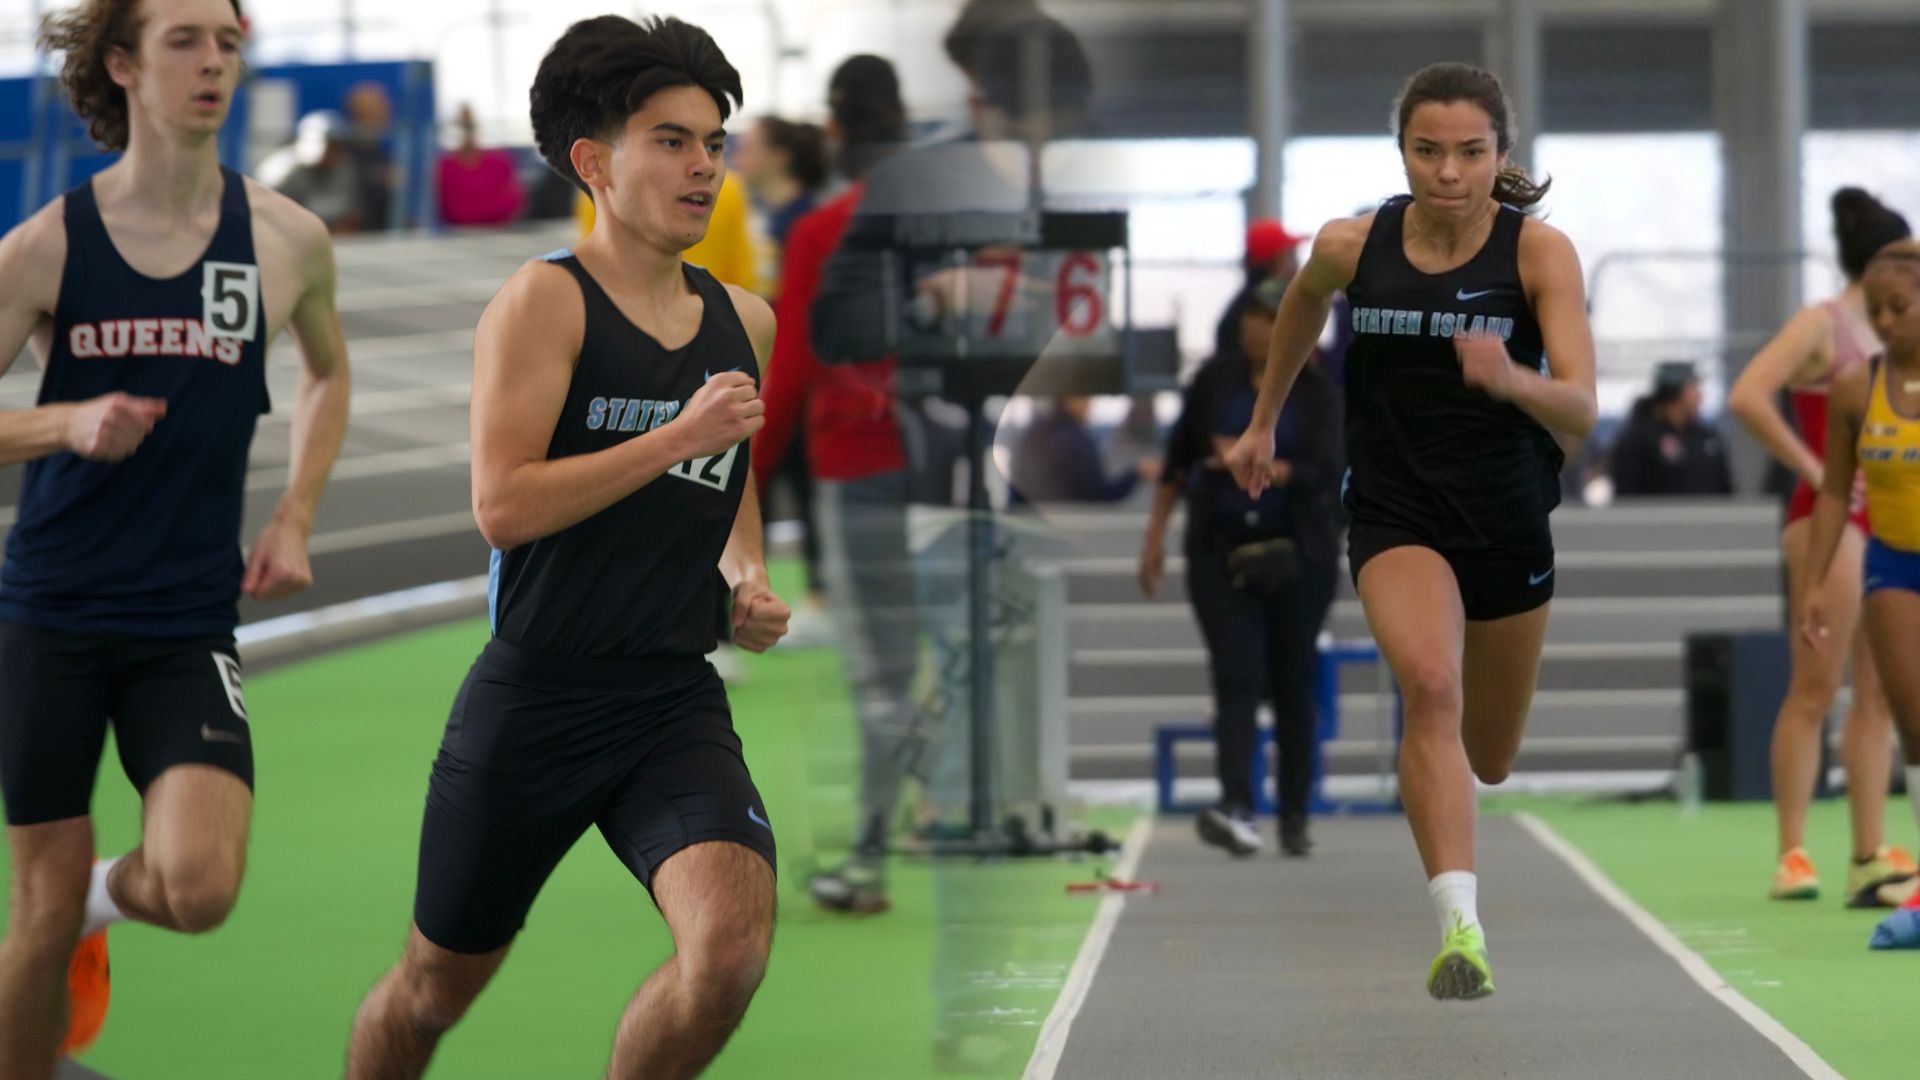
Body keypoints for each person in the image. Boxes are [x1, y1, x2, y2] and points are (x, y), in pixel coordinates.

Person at [343, 17, 788, 1079]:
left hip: (670, 701)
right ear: (594, 161)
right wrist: (673, 435)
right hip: (535, 701)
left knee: (727, 953)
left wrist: (749, 576)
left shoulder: (746, 319)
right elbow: (503, 506)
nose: (703, 167)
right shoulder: (544, 302)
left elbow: (731, 476)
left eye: (715, 142)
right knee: (430, 991)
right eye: (672, 141)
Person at [0, 0, 352, 1073]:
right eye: (184, 40)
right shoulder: (48, 245)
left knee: (198, 888)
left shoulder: (289, 239)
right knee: (39, 911)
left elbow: (329, 370)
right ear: (123, 64)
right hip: (50, 613)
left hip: (186, 617)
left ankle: (106, 897)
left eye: (230, 42)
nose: (214, 63)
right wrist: (66, 422)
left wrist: (295, 511)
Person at [1226, 62, 1597, 1001]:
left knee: (1492, 755)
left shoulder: (1538, 255)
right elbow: (1303, 304)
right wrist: (1264, 419)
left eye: (1471, 153)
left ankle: (1465, 843)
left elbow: (1583, 408)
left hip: (1510, 516)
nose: (1448, 172)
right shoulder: (1353, 245)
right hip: (1397, 511)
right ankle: (1460, 925)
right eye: (1428, 151)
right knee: (1430, 685)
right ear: (1402, 154)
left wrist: (1513, 379)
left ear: (1499, 156)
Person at [749, 53, 917, 915]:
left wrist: (748, 473)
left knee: (881, 677)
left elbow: (796, 368)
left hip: (859, 467)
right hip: (951, 473)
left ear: (840, 132)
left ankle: (869, 861)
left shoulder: (821, 234)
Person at [1728, 187, 1914, 907]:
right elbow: (1748, 395)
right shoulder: (1823, 325)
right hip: (1828, 518)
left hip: (1894, 518)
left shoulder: (1903, 338)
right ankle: (1792, 852)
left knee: (1880, 694)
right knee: (1814, 685)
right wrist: (1813, 467)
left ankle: (1868, 852)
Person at [1142, 275, 1342, 858]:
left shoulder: (1319, 392)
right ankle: (1236, 805)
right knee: (1235, 677)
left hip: (1298, 554)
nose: (1261, 326)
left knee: (1293, 683)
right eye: (1255, 314)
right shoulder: (1212, 381)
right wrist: (1153, 538)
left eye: (1274, 316)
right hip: (1219, 551)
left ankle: (1295, 814)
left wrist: (1263, 463)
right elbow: (1178, 464)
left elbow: (1329, 472)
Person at [1799, 239, 1920, 946]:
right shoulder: (1856, 388)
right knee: (1912, 722)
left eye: (1899, 307)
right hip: (1894, 566)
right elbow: (1834, 491)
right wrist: (1815, 583)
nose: (1886, 321)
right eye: (1875, 311)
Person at [1608, 361, 1735, 497]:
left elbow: (1725, 489)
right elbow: (1625, 493)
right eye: (1693, 387)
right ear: (1674, 391)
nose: (1700, 396)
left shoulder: (1707, 438)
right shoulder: (1637, 439)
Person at [1009, 396, 1154, 504]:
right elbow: (1100, 496)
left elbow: (1015, 490)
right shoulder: (1076, 440)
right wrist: (1137, 473)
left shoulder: (1031, 434)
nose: (1089, 406)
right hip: (1072, 526)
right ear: (1069, 399)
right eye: (1085, 399)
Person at [436, 103, 525, 227]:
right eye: (462, 127)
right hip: (458, 233)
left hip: (499, 231)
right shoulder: (445, 167)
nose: (466, 133)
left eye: (469, 126)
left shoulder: (500, 163)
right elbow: (452, 210)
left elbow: (514, 201)